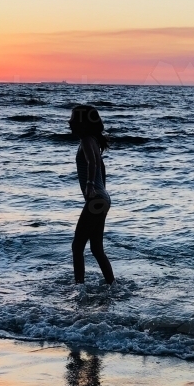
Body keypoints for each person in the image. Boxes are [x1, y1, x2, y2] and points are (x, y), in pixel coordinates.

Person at [69, 105, 115, 285]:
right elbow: (101, 168)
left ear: (82, 123)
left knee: (77, 246)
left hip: (96, 199)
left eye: (73, 118)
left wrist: (90, 186)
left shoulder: (87, 140)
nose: (69, 121)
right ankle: (112, 284)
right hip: (102, 199)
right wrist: (101, 192)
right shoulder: (93, 141)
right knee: (96, 248)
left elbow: (92, 163)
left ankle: (79, 288)